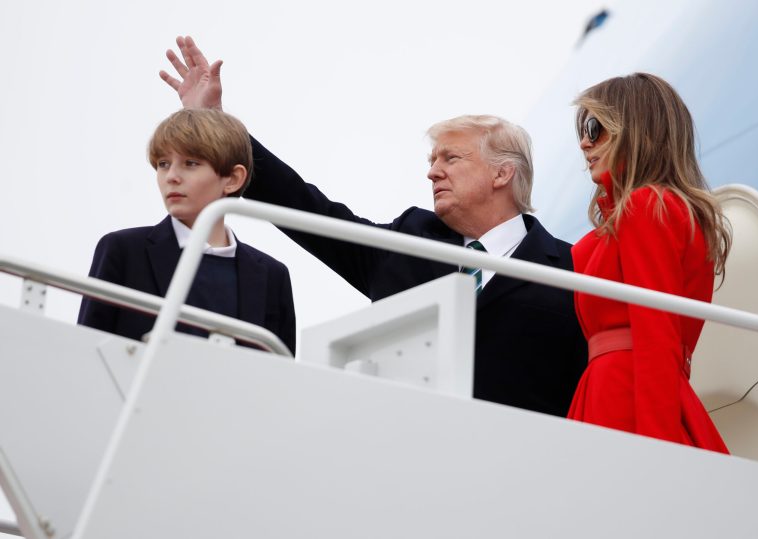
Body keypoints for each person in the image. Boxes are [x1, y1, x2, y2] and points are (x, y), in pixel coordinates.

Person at [160, 36, 586, 416]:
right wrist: (215, 124)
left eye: (450, 159)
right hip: (398, 461)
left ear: (502, 174)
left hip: (524, 471)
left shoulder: (575, 268)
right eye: (431, 162)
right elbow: (308, 209)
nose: (433, 173)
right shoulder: (408, 243)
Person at [567, 73, 731, 451]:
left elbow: (657, 335)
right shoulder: (632, 220)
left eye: (596, 128)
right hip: (609, 393)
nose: (584, 142)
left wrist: (658, 447)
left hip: (627, 399)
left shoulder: (648, 206)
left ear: (635, 129)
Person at [78, 108, 297, 354]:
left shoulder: (271, 275)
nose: (171, 176)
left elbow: (277, 382)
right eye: (163, 164)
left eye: (191, 163)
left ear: (233, 179)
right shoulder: (124, 250)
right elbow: (87, 355)